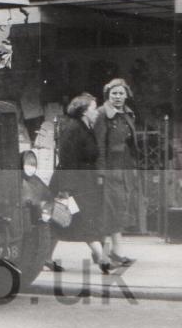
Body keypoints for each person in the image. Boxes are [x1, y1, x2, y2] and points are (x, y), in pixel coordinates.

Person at [51, 93, 112, 273]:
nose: (97, 112)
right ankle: (102, 258)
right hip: (73, 183)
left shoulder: (86, 127)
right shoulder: (73, 128)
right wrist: (65, 189)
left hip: (85, 182)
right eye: (94, 109)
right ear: (84, 111)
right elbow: (67, 160)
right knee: (81, 220)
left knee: (64, 223)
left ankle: (46, 257)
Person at [93, 78, 137, 267]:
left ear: (126, 95)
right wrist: (101, 173)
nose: (118, 97)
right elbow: (99, 145)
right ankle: (106, 254)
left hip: (124, 168)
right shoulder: (102, 114)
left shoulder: (127, 113)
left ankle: (115, 252)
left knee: (119, 209)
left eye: (121, 93)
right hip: (110, 170)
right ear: (108, 95)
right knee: (109, 210)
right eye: (114, 94)